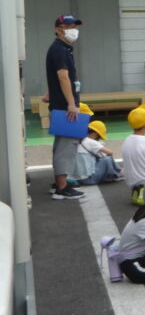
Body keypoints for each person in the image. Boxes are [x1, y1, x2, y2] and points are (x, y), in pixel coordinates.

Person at [46, 14, 85, 200]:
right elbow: (63, 76)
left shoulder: (63, 49)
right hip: (65, 108)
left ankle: (59, 183)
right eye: (67, 26)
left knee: (62, 145)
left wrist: (50, 93)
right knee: (66, 146)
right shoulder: (60, 50)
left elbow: (57, 77)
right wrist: (71, 104)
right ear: (58, 30)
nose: (72, 29)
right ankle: (62, 188)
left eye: (74, 25)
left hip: (60, 104)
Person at [74, 120, 122, 186]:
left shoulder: (81, 140)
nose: (98, 139)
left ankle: (118, 171)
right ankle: (117, 173)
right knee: (107, 159)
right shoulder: (90, 141)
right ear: (95, 133)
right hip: (89, 179)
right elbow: (110, 152)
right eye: (99, 136)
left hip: (79, 179)